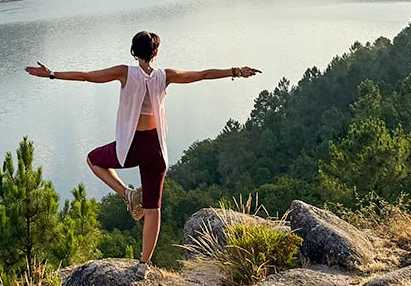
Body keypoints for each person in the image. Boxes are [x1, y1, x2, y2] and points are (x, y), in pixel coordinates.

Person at [25, 30, 261, 272]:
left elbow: (87, 76)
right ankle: (144, 264)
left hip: (131, 147)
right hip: (156, 149)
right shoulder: (165, 76)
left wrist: (52, 74)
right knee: (153, 209)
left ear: (133, 52)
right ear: (156, 53)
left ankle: (126, 194)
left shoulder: (124, 73)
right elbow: (202, 75)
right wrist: (236, 71)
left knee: (93, 159)